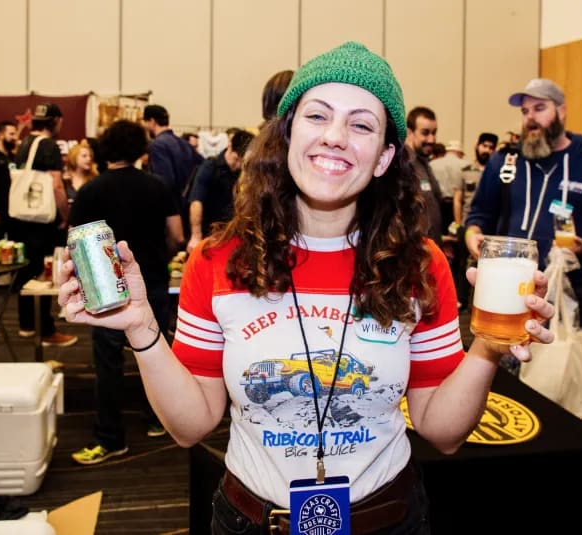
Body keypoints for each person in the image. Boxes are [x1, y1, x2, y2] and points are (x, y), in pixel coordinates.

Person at [57, 41, 554, 534]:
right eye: (317, 116)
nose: (334, 137)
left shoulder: (419, 265)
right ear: (288, 133)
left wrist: (488, 347)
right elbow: (192, 426)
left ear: (384, 157)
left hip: (387, 521)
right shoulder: (218, 259)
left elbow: (442, 433)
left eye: (361, 125)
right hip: (250, 522)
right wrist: (143, 329)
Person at [465, 77, 582, 327]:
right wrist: (472, 235)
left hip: (562, 293)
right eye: (525, 111)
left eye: (539, 108)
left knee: (552, 353)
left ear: (562, 111)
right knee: (496, 350)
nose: (530, 118)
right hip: (503, 291)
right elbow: (479, 213)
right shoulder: (504, 161)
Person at [69, 120, 184, 464]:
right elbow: (177, 236)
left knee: (108, 364)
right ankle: (157, 420)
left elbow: (75, 242)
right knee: (154, 353)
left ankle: (110, 437)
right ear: (140, 149)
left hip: (105, 289)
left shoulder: (91, 190)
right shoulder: (158, 186)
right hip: (152, 282)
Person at [11, 103, 77, 347]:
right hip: (43, 220)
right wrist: (66, 215)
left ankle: (27, 324)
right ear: (56, 121)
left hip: (23, 217)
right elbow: (57, 185)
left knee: (28, 270)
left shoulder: (25, 144)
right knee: (45, 273)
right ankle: (45, 329)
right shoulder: (48, 146)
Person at [185, 129, 254, 253]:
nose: (238, 165)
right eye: (236, 159)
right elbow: (196, 202)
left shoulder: (244, 172)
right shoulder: (209, 167)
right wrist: (196, 236)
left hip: (233, 235)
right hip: (209, 234)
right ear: (230, 146)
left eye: (242, 161)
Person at [451, 132, 498, 310]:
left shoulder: (497, 174)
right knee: (463, 263)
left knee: (486, 267)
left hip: (488, 229)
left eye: (491, 147)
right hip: (467, 225)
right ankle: (461, 299)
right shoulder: (466, 172)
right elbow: (458, 199)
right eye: (484, 146)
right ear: (477, 146)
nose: (487, 150)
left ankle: (481, 303)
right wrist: (458, 224)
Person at [404, 106, 446, 249]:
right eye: (425, 133)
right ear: (409, 132)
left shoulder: (424, 164)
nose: (431, 139)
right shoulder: (402, 165)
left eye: (434, 133)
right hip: (413, 252)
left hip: (431, 249)